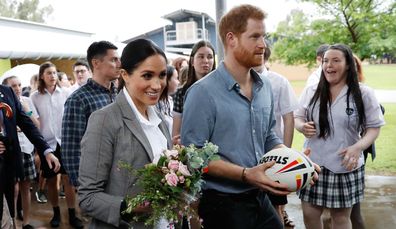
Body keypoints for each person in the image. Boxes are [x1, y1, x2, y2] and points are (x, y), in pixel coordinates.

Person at [180, 5, 318, 229]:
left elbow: (269, 137)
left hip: (259, 197)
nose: (263, 44)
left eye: (264, 36)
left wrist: (298, 163)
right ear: (231, 39)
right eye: (255, 36)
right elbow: (193, 157)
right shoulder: (202, 92)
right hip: (222, 205)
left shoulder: (264, 88)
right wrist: (246, 174)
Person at [78, 38, 171, 229]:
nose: (157, 85)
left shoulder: (159, 120)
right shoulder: (105, 119)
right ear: (125, 75)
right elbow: (88, 197)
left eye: (162, 75)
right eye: (147, 76)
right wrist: (132, 206)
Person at [295, 44, 385, 229]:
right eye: (326, 61)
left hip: (345, 165)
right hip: (314, 164)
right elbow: (297, 116)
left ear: (348, 65)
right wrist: (302, 126)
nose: (329, 65)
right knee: (310, 214)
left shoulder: (363, 93)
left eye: (336, 60)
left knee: (341, 219)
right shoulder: (312, 90)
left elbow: (374, 127)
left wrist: (358, 147)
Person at [30, 61, 83, 228]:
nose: (53, 76)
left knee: (69, 180)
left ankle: (73, 214)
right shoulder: (34, 97)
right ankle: (56, 213)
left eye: (54, 73)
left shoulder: (66, 93)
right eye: (48, 73)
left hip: (66, 142)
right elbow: (35, 123)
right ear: (42, 77)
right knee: (52, 181)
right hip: (47, 145)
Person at [61, 41, 120, 189]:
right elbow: (71, 147)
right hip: (96, 181)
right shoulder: (78, 99)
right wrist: (83, 186)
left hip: (120, 177)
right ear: (96, 63)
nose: (119, 63)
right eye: (113, 60)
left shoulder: (120, 94)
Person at [0, 82, 60, 226]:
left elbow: (26, 123)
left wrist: (45, 150)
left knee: (7, 215)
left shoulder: (6, 92)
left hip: (8, 164)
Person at [254, 44, 299, 228]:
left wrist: (286, 154)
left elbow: (289, 119)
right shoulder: (240, 81)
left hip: (274, 153)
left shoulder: (278, 81)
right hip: (250, 155)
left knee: (276, 206)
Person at [2, 76, 41, 229]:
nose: (17, 88)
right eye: (13, 85)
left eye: (19, 85)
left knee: (26, 187)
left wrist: (27, 111)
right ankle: (14, 222)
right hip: (11, 150)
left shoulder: (27, 101)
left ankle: (26, 221)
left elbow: (36, 126)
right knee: (14, 188)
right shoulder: (4, 102)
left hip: (27, 149)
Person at [172, 40, 216, 140]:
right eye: (201, 56)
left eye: (210, 57)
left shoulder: (222, 91)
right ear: (192, 61)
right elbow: (176, 131)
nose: (206, 60)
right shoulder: (181, 93)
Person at [157, 65, 179, 136]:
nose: (178, 82)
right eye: (176, 78)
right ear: (167, 80)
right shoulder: (155, 103)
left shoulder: (170, 100)